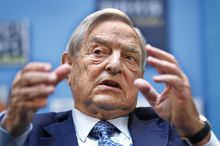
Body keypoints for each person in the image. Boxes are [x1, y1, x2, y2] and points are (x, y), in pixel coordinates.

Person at [0, 8, 219, 146]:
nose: (114, 65)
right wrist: (10, 127)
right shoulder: (24, 133)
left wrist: (196, 131)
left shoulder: (178, 131)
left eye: (130, 57)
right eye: (98, 52)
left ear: (141, 76)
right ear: (69, 65)